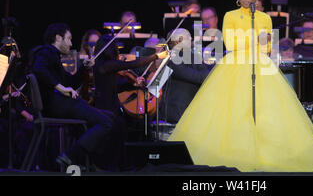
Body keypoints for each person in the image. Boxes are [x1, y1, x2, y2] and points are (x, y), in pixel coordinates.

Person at [168, 0, 313, 172]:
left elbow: (266, 48)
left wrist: (262, 42)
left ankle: (268, 153)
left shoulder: (265, 18)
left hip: (259, 64)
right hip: (236, 64)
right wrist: (256, 40)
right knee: (232, 109)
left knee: (266, 109)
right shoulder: (230, 16)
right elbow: (231, 43)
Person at [32, 23, 115, 170]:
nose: (71, 43)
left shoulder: (54, 57)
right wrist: (60, 87)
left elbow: (69, 82)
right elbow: (39, 69)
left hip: (60, 104)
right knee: (106, 122)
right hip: (55, 105)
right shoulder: (45, 51)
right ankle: (71, 156)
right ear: (58, 38)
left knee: (111, 118)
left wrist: (84, 68)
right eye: (69, 39)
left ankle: (87, 162)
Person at [91, 34, 167, 170]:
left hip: (111, 106)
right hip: (106, 107)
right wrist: (156, 56)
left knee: (120, 133)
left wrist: (134, 85)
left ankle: (119, 165)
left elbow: (117, 87)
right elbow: (132, 64)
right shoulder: (104, 64)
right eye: (115, 48)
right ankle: (112, 165)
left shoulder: (105, 66)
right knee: (116, 134)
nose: (117, 51)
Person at [159, 29, 214, 124]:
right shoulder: (172, 59)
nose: (191, 38)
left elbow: (204, 69)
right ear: (178, 41)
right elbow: (197, 76)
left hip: (192, 109)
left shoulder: (190, 56)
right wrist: (215, 71)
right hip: (178, 112)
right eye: (188, 36)